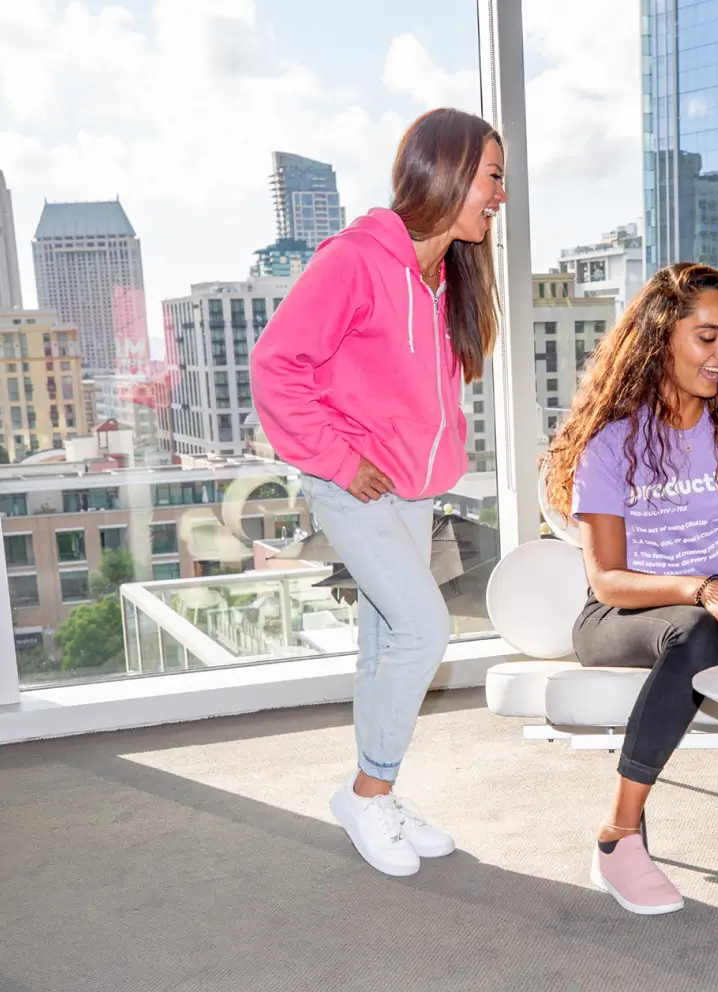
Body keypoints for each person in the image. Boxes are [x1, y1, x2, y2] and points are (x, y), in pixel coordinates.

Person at [250, 108, 507, 878]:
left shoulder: (442, 276)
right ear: (449, 171)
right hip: (349, 484)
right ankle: (368, 790)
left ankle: (378, 795)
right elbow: (276, 367)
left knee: (384, 644)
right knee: (425, 633)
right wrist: (336, 455)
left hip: (411, 489)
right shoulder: (355, 260)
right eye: (492, 176)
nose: (500, 194)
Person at [542, 263, 718, 916]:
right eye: (707, 337)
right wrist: (707, 592)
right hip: (619, 613)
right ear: (661, 338)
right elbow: (606, 577)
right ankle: (618, 836)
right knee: (694, 627)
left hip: (711, 604)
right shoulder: (611, 443)